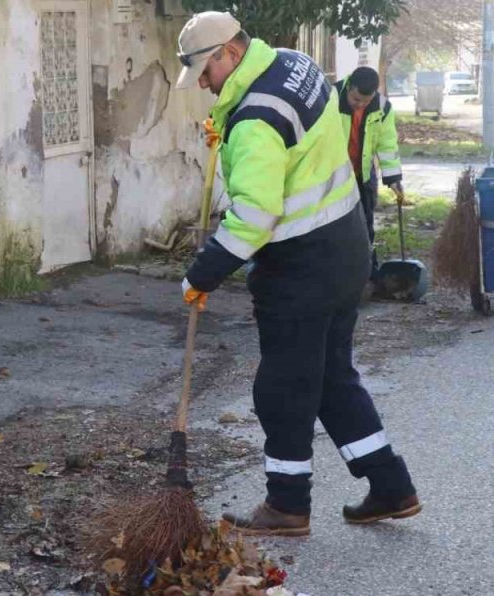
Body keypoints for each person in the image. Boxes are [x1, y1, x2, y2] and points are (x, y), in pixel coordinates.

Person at [174, 12, 421, 536]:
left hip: (301, 266)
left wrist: (203, 274)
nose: (201, 82)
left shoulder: (254, 122)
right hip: (348, 245)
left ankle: (287, 506)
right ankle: (391, 486)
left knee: (283, 388)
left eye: (204, 70)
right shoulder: (296, 65)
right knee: (332, 376)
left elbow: (255, 217)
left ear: (230, 55)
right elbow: (303, 151)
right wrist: (232, 122)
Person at [336, 66, 403, 281]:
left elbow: (387, 144)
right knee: (333, 227)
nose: (360, 105)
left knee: (365, 226)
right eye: (356, 100)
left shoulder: (382, 107)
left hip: (362, 175)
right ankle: (334, 275)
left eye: (366, 101)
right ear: (349, 87)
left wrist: (393, 179)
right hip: (331, 177)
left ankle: (367, 275)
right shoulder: (329, 98)